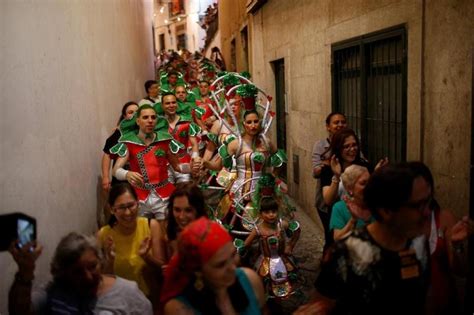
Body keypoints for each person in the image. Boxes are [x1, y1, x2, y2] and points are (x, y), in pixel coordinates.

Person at [295, 163, 432, 315]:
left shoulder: (418, 243)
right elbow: (321, 304)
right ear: (386, 210)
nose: (427, 213)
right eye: (418, 206)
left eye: (428, 202)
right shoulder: (345, 252)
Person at [8, 232, 152, 314]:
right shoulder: (54, 290)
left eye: (92, 266)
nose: (88, 277)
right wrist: (25, 272)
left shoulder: (128, 293)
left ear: (100, 261)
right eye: (77, 272)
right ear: (63, 272)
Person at [161, 217, 266, 314]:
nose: (233, 267)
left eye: (233, 255)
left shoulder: (249, 280)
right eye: (221, 265)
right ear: (198, 271)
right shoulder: (179, 309)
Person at [407, 161, 474, 315]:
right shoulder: (397, 223)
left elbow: (461, 270)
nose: (423, 209)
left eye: (426, 199)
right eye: (415, 202)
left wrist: (457, 245)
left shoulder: (443, 218)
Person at [112, 105, 191, 223]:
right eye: (145, 117)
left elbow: (178, 167)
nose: (150, 121)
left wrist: (191, 168)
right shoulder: (129, 142)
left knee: (165, 232)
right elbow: (115, 170)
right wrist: (126, 174)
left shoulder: (164, 140)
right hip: (139, 196)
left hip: (164, 195)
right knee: (142, 232)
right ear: (138, 121)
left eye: (153, 117)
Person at [319, 128, 387, 249]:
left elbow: (370, 191)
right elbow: (328, 200)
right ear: (338, 149)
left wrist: (375, 175)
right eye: (347, 146)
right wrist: (336, 176)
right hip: (340, 219)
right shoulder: (327, 170)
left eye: (354, 145)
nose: (352, 149)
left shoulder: (364, 166)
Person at [98, 182, 161, 307]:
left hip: (149, 299)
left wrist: (146, 257)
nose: (127, 213)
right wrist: (110, 260)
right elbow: (100, 280)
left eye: (131, 205)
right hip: (118, 302)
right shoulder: (104, 235)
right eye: (121, 208)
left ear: (138, 203)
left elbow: (162, 271)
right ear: (112, 209)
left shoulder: (151, 226)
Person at [243, 196, 300, 299]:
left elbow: (296, 228)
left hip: (283, 259)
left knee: (286, 281)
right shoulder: (258, 230)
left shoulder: (281, 225)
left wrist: (290, 245)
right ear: (260, 214)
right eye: (267, 212)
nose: (271, 215)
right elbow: (246, 244)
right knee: (265, 287)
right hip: (264, 262)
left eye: (273, 211)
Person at [152, 183, 208, 269]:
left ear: (198, 210)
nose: (181, 216)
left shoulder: (210, 234)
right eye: (177, 210)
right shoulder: (170, 231)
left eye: (188, 210)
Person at [101, 101, 139, 193]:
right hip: (121, 179)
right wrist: (106, 177)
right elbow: (107, 155)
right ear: (124, 116)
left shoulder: (146, 131)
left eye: (137, 112)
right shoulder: (118, 134)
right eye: (130, 112)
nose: (134, 115)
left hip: (141, 178)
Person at [330, 164, 374, 241]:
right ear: (349, 188)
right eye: (363, 183)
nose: (370, 186)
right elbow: (337, 238)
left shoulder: (380, 204)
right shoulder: (339, 208)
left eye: (370, 181)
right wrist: (353, 220)